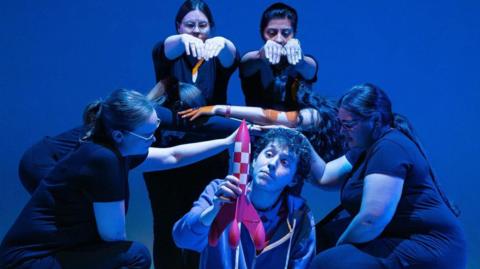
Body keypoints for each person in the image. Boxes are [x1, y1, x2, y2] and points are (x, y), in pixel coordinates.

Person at [0, 89, 239, 269]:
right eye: (148, 135)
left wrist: (227, 141)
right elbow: (114, 239)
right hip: (27, 261)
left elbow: (172, 156)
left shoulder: (115, 149)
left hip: (38, 253)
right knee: (134, 255)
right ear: (119, 134)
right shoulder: (103, 160)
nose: (154, 139)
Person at [306, 83, 466, 268]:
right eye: (340, 124)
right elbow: (324, 176)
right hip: (398, 237)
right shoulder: (363, 149)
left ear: (374, 121)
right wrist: (294, 136)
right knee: (316, 241)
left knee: (328, 263)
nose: (341, 132)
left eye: (348, 125)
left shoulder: (389, 147)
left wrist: (338, 249)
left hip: (429, 246)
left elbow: (372, 218)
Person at [146, 1, 240, 267]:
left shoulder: (217, 57)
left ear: (211, 28)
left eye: (203, 25)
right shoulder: (167, 52)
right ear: (178, 26)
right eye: (190, 25)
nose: (197, 31)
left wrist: (222, 42)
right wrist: (183, 38)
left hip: (210, 153)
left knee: (203, 222)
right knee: (165, 224)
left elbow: (231, 56)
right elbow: (169, 45)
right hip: (167, 153)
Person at [173, 128, 316, 269]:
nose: (272, 164)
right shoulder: (219, 190)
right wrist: (214, 210)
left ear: (294, 180)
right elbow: (182, 239)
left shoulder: (300, 215)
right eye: (269, 154)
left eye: (284, 162)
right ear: (253, 160)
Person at [240, 2, 317, 111]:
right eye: (271, 33)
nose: (279, 39)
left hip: (297, 127)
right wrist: (262, 55)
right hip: (258, 125)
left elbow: (308, 68)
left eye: (286, 33)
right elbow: (249, 62)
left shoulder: (306, 62)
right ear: (262, 33)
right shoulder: (252, 59)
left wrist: (299, 60)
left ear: (294, 33)